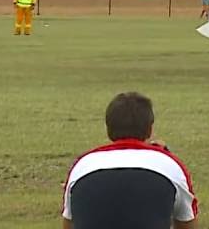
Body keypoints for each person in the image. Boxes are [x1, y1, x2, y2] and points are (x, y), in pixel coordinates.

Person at [61, 91, 197, 229]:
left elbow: (68, 223)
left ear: (108, 129)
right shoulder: (170, 166)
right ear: (149, 129)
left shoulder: (82, 166)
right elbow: (187, 222)